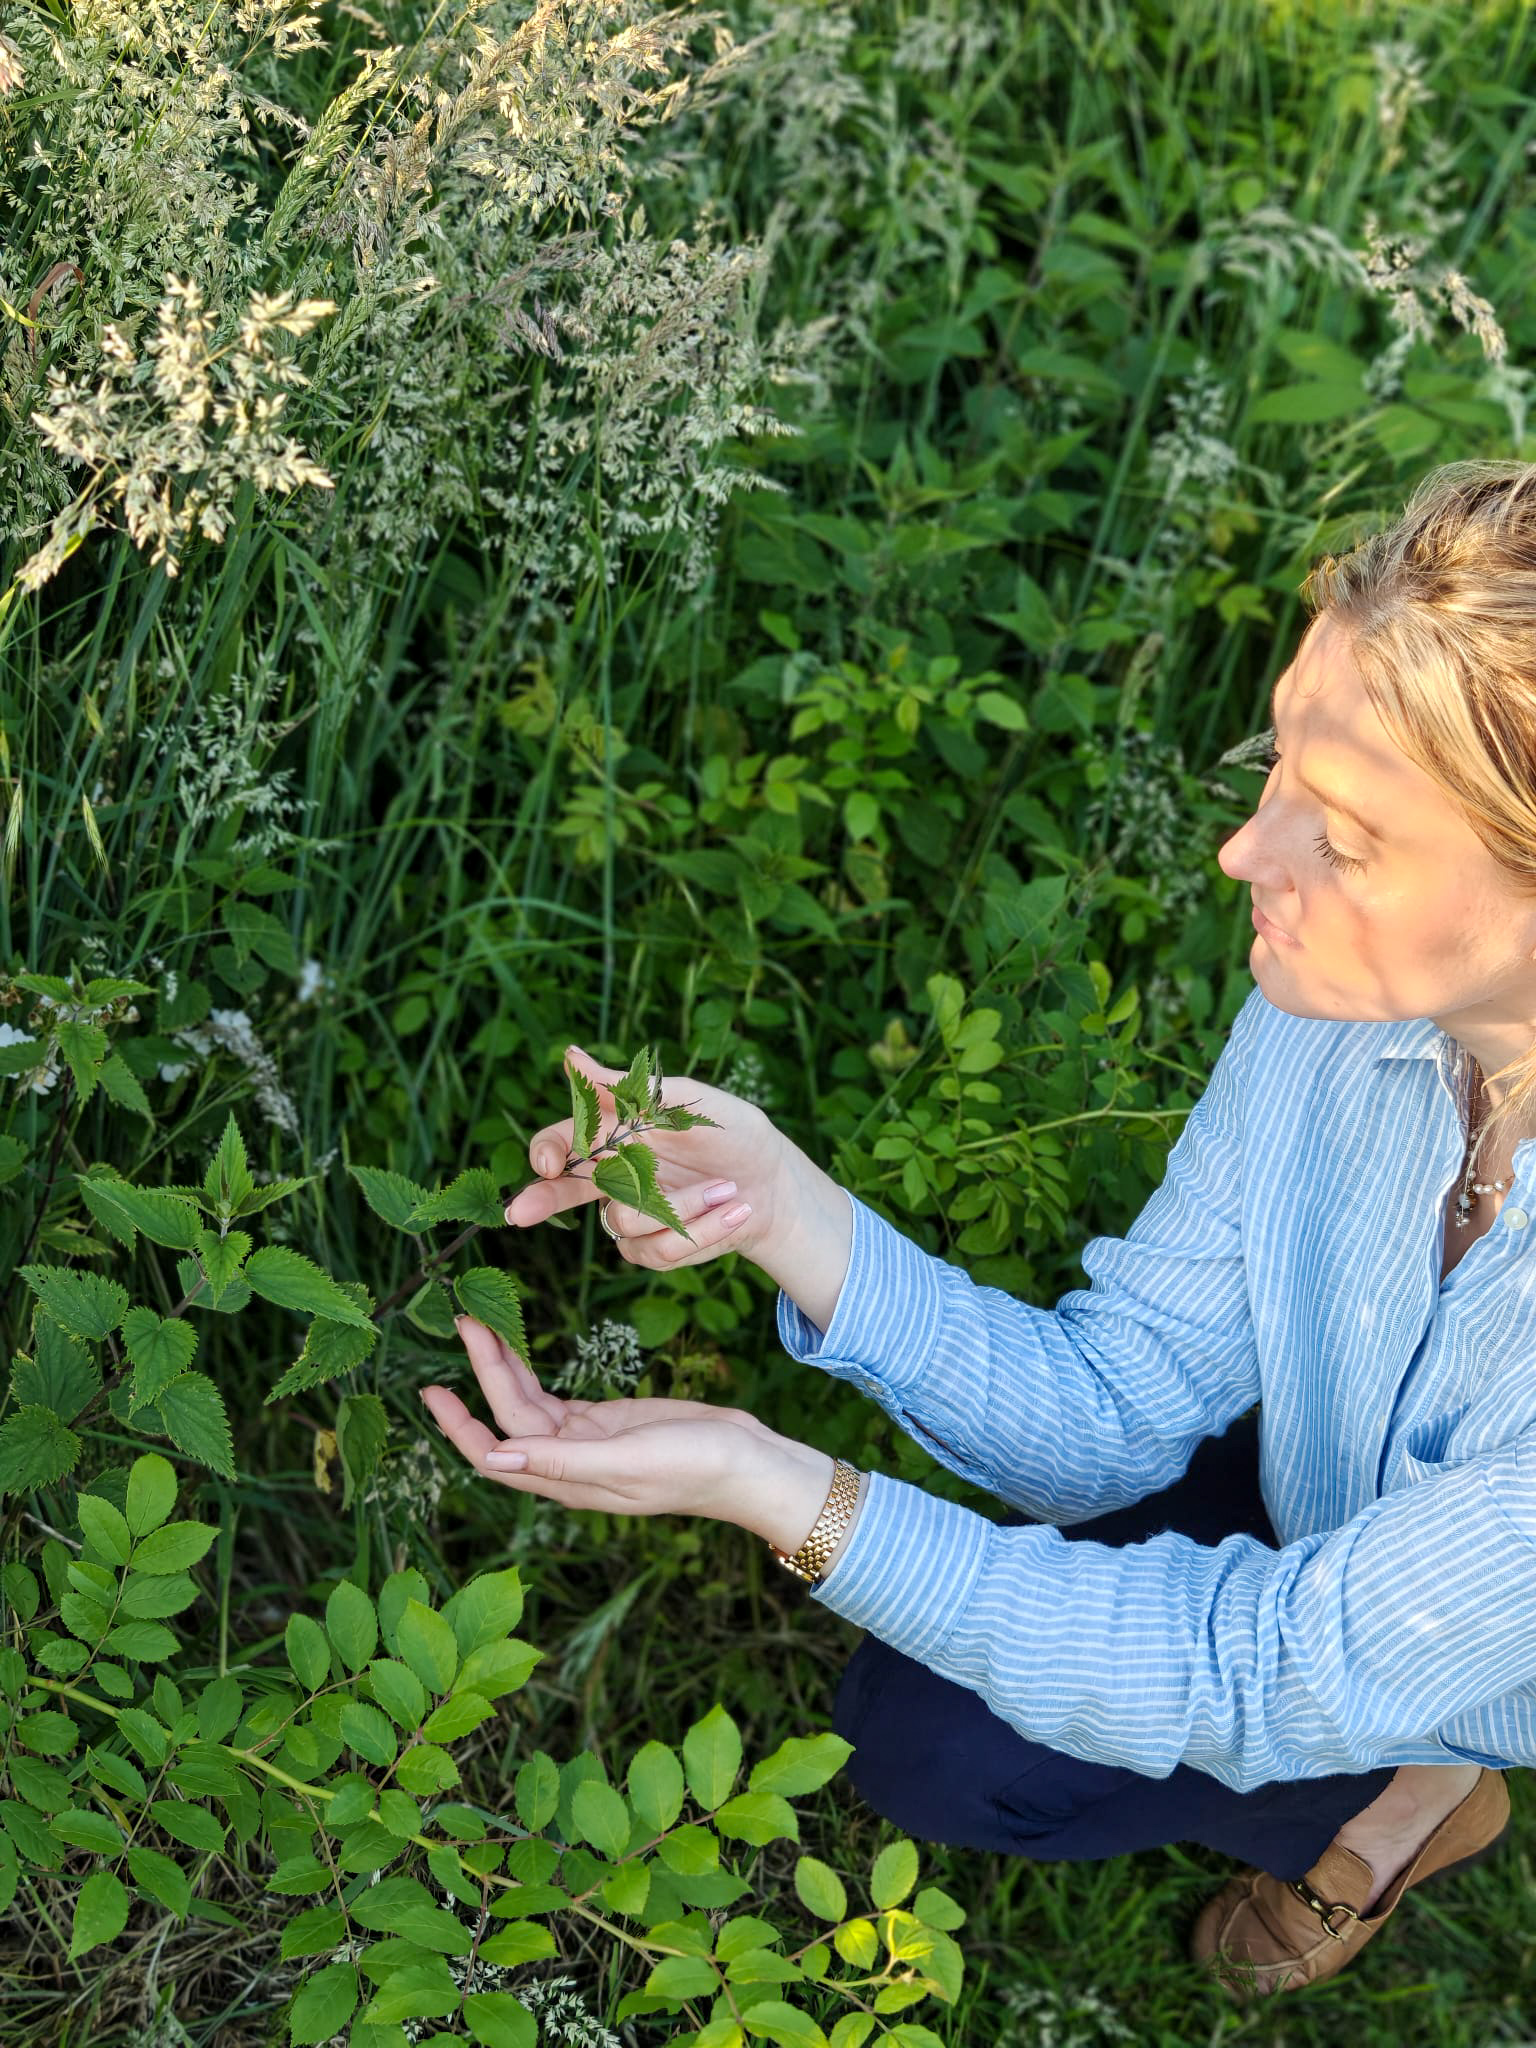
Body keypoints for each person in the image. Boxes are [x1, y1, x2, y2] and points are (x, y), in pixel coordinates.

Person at [421, 457, 1536, 2001]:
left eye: (1341, 838)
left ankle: (1418, 1787)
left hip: (1469, 1630)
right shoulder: (1342, 1010)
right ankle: (1382, 1787)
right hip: (1324, 1502)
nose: (1245, 856)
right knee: (931, 1736)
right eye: (1276, 763)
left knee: (1122, 1704)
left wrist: (771, 1483)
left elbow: (1254, 1667)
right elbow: (1118, 1405)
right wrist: (786, 1204)